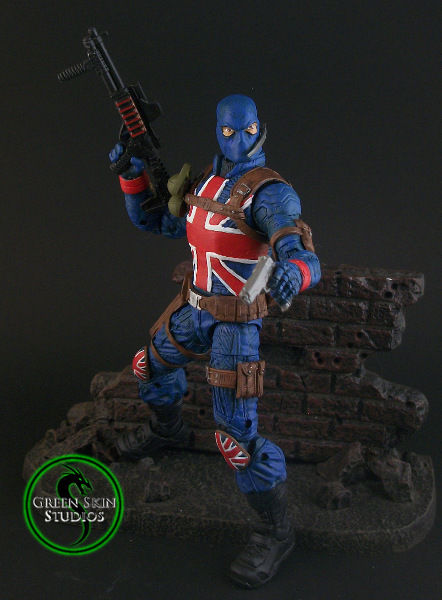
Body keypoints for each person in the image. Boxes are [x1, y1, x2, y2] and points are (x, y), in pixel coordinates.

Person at [109, 94, 321, 588]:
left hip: (236, 323)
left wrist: (293, 272)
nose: (239, 140)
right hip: (195, 308)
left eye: (247, 131)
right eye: (229, 132)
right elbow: (155, 221)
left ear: (259, 129)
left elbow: (303, 253)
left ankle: (275, 531)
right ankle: (168, 429)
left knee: (235, 440)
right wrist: (132, 175)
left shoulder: (270, 194)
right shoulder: (205, 181)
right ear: (217, 131)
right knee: (148, 367)